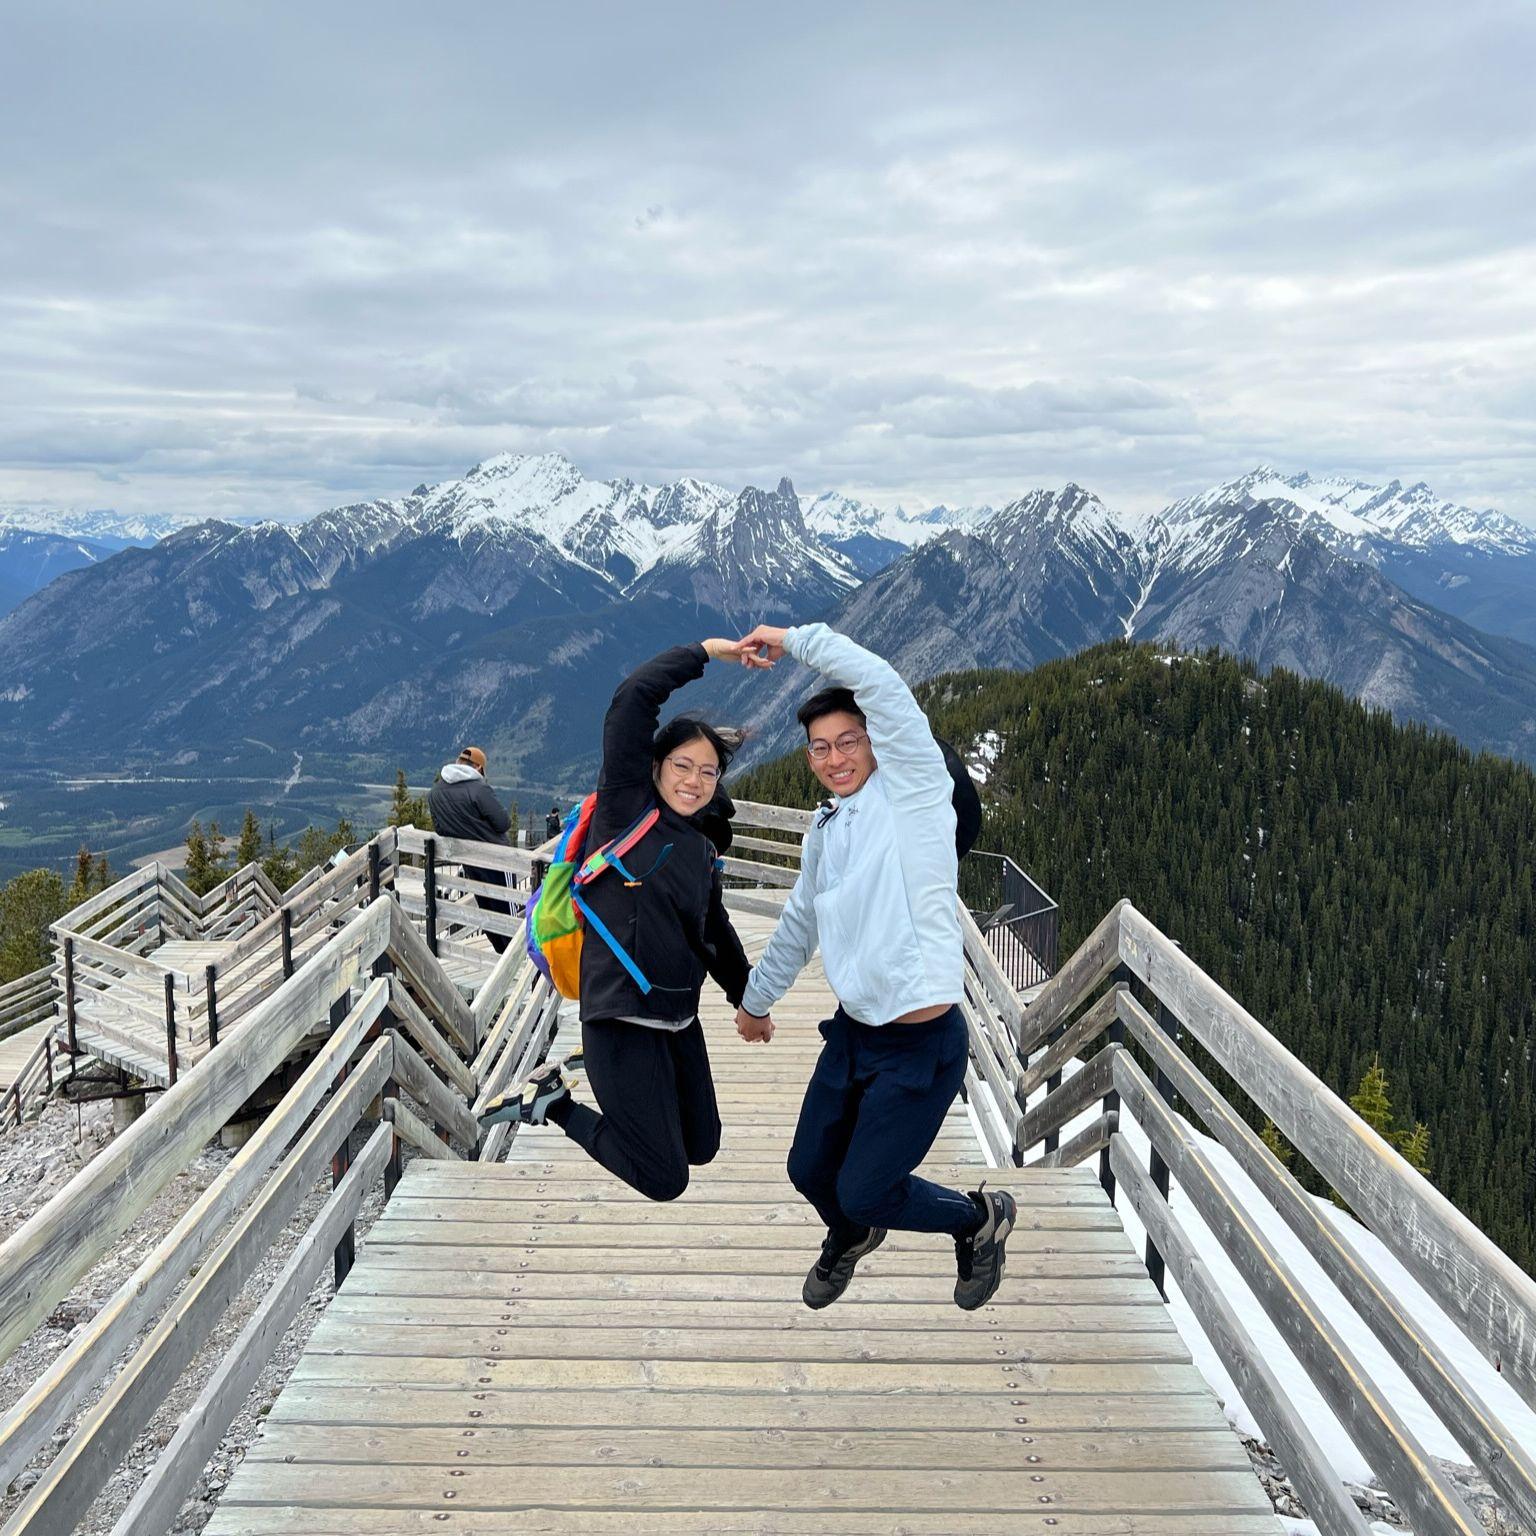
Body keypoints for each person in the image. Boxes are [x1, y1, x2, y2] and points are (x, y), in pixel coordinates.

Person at [732, 621, 1015, 1311]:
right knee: (808, 1170)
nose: (835, 758)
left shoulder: (914, 794)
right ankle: (855, 1233)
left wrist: (792, 639)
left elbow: (880, 683)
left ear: (876, 743)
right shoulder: (826, 829)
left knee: (864, 1188)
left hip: (921, 1046)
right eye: (820, 747)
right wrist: (756, 1001)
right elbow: (799, 922)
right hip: (854, 1034)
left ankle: (977, 1221)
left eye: (848, 741)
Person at [481, 639, 771, 1203]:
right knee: (665, 1178)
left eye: (708, 772)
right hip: (618, 1017)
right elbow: (632, 701)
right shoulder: (624, 809)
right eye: (682, 765)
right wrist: (707, 652)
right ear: (656, 766)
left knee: (703, 1144)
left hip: (677, 1017)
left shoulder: (700, 845)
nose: (694, 780)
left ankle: (604, 1089)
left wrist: (750, 1002)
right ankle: (552, 1103)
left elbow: (713, 932)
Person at [426, 746, 515, 955]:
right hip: (498, 859)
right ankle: (515, 958)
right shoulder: (479, 788)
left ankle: (501, 954)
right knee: (508, 914)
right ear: (478, 767)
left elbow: (440, 828)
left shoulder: (436, 792)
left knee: (486, 910)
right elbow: (503, 823)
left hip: (469, 862)